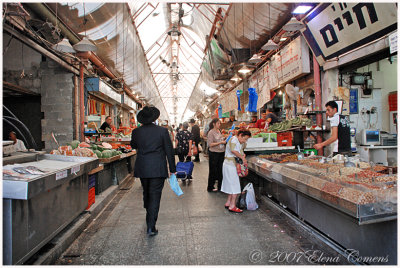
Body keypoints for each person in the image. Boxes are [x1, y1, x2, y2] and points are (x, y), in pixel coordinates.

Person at [130, 106, 176, 236]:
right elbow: (169, 150)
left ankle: (148, 210)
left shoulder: (136, 132)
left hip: (143, 167)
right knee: (155, 196)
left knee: (146, 191)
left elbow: (133, 145)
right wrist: (173, 169)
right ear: (155, 118)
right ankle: (151, 226)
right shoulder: (162, 131)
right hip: (158, 168)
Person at [221, 129, 251, 213]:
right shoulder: (234, 139)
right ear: (240, 135)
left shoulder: (237, 141)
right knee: (234, 185)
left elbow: (238, 150)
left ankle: (228, 202)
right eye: (245, 139)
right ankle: (232, 206)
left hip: (230, 164)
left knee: (231, 184)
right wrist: (242, 157)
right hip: (230, 165)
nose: (245, 141)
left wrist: (242, 154)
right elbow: (233, 151)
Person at [207, 118, 226, 192]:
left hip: (221, 152)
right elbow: (210, 144)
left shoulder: (219, 131)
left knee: (220, 170)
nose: (219, 125)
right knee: (213, 170)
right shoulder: (211, 132)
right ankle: (210, 187)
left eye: (220, 123)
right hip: (214, 153)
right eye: (218, 123)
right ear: (214, 124)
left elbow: (219, 139)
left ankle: (220, 187)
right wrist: (220, 143)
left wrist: (224, 139)